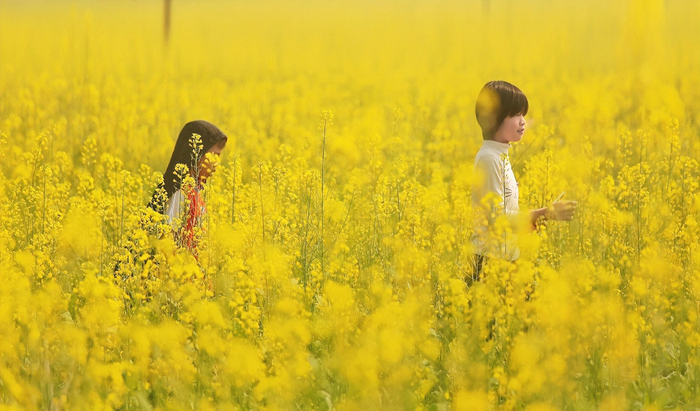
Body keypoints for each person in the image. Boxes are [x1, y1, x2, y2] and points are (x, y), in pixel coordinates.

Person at [470, 81, 577, 281]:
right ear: (492, 118)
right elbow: (498, 219)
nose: (523, 122)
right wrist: (543, 213)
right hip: (490, 262)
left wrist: (528, 222)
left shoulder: (499, 155)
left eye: (523, 115)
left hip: (505, 256)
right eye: (515, 115)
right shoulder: (489, 158)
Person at [148, 120, 228, 257]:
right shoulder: (180, 193)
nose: (216, 163)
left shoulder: (196, 192)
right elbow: (166, 242)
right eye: (213, 155)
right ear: (196, 153)